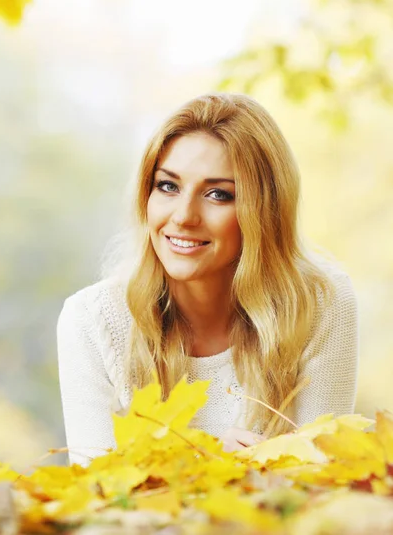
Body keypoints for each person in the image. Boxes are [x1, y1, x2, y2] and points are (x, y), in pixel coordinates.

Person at [57, 92, 359, 467]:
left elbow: (326, 483)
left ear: (264, 210)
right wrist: (212, 464)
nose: (183, 216)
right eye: (168, 186)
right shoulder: (92, 320)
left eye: (218, 194)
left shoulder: (320, 303)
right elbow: (96, 497)